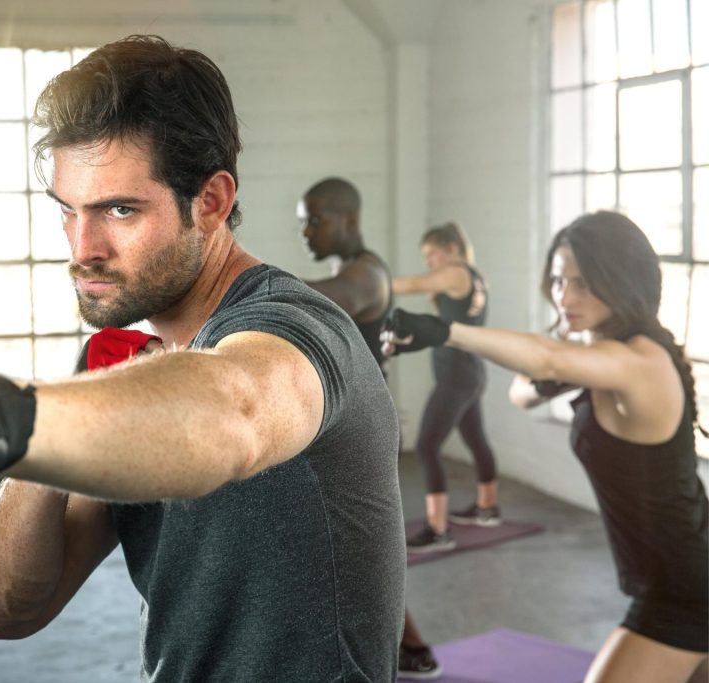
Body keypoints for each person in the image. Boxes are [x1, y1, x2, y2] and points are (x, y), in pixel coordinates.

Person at [0, 35, 406, 681]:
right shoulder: (126, 364)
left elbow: (233, 412)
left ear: (211, 201)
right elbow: (4, 609)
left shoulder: (292, 326)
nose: (82, 246)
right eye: (67, 211)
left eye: (118, 209)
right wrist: (22, 441)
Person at [382, 210, 709, 682]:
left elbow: (547, 356)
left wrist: (446, 331)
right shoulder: (600, 354)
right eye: (558, 281)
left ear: (621, 280)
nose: (565, 296)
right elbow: (523, 390)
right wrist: (553, 375)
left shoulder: (641, 360)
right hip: (673, 577)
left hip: (685, 590)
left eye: (582, 282)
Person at [298, 177, 441, 680]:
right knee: (346, 547)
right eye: (303, 220)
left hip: (361, 434)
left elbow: (311, 297)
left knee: (359, 551)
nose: (305, 231)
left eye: (315, 219)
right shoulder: (354, 268)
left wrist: (228, 277)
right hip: (347, 427)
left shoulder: (364, 277)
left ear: (349, 221)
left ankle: (412, 647)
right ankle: (406, 646)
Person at [390, 222, 499, 553]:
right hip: (469, 371)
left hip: (456, 376)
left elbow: (410, 284)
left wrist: (365, 282)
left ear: (451, 249)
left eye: (432, 254)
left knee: (426, 446)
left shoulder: (456, 272)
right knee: (477, 440)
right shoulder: (474, 274)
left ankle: (438, 530)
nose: (430, 263)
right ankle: (487, 508)